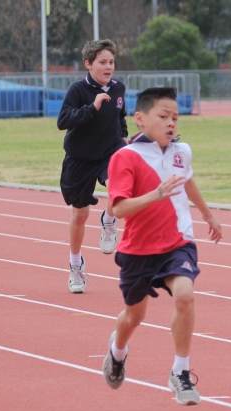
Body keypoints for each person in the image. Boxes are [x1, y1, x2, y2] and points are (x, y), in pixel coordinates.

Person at [101, 87, 223, 406]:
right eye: (163, 116)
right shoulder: (125, 157)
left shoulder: (182, 151)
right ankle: (118, 351)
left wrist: (208, 214)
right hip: (139, 249)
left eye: (175, 117)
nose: (171, 123)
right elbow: (118, 208)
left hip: (177, 242)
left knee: (185, 295)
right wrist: (156, 194)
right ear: (140, 119)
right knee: (134, 316)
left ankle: (179, 371)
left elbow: (187, 180)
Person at [57, 39, 129, 294]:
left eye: (111, 62)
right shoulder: (77, 90)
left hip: (110, 152)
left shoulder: (119, 88)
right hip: (80, 158)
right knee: (79, 215)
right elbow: (63, 121)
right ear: (88, 64)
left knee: (120, 187)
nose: (108, 67)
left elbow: (120, 117)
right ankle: (76, 266)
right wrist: (92, 107)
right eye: (102, 62)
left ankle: (109, 221)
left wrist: (123, 138)